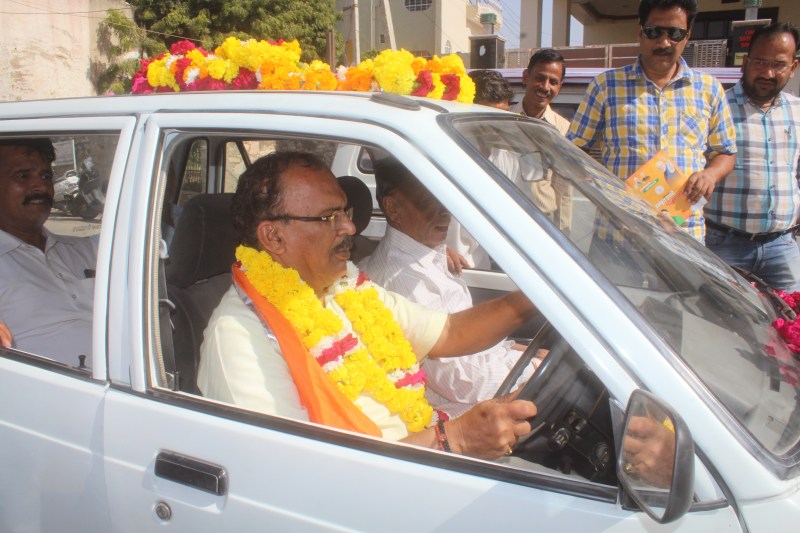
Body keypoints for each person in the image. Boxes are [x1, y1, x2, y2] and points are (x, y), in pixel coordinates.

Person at [198, 151, 538, 460]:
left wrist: (539, 298)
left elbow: (450, 332)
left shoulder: (344, 287)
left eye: (344, 211)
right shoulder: (238, 334)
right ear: (274, 237)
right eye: (328, 218)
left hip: (426, 460)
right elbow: (297, 471)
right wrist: (453, 440)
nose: (350, 227)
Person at [360, 159, 538, 418]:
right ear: (393, 208)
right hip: (466, 417)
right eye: (428, 201)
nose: (445, 211)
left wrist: (523, 353)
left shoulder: (427, 254)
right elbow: (465, 381)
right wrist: (534, 365)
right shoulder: (404, 284)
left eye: (444, 199)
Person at [567, 0, 737, 243]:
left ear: (687, 36)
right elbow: (574, 149)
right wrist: (599, 186)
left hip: (684, 235)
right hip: (618, 233)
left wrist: (710, 175)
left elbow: (726, 152)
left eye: (675, 33)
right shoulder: (606, 86)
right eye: (654, 31)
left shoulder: (709, 89)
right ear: (641, 32)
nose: (664, 42)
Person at [705, 22, 800, 292]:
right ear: (745, 63)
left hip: (782, 248)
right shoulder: (717, 108)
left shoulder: (797, 111)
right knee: (722, 322)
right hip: (724, 246)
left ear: (792, 68)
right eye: (760, 61)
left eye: (778, 64)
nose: (767, 72)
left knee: (790, 326)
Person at [0, 138, 97, 366]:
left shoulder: (86, 249)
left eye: (46, 176)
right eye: (23, 176)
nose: (41, 187)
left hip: (136, 389)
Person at [510, 49, 574, 234]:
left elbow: (564, 190)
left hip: (542, 220)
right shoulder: (501, 119)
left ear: (560, 86)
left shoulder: (563, 130)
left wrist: (563, 235)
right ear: (526, 77)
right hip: (504, 213)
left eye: (553, 82)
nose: (545, 87)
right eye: (540, 78)